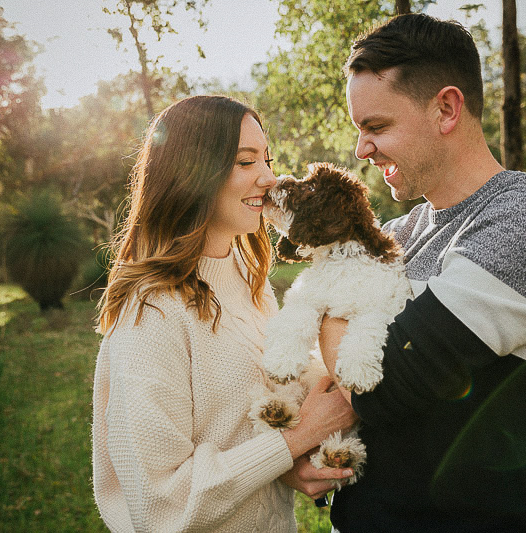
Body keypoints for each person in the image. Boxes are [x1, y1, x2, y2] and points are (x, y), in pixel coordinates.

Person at [318, 14, 526, 532]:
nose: (362, 150)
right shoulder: (399, 231)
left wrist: (326, 307)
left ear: (446, 108)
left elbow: (382, 384)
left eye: (376, 126)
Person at [91, 95, 357, 532]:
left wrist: (290, 457)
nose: (270, 179)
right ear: (192, 173)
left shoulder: (243, 273)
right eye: (245, 161)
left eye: (267, 160)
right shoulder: (151, 310)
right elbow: (160, 504)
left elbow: (251, 414)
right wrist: (297, 439)